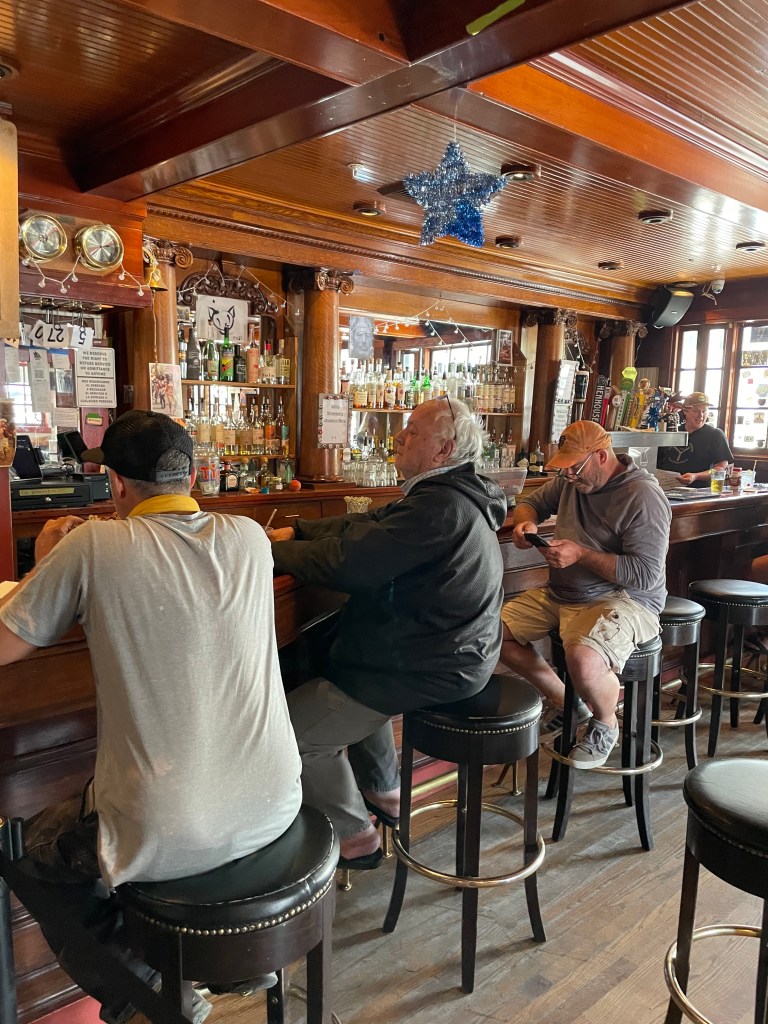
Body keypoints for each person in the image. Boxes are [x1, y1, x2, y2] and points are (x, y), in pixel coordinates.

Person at [0, 410, 302, 1024]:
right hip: (277, 803)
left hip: (173, 825)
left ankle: (144, 994)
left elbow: (6, 645)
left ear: (115, 483)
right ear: (191, 476)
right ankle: (229, 956)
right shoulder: (249, 536)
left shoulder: (93, 546)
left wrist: (46, 564)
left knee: (36, 855)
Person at [269, 397, 506, 867]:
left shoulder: (439, 507)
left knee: (288, 734)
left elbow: (350, 562)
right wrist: (298, 533)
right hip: (449, 650)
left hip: (436, 663)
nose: (399, 436)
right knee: (333, 664)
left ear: (443, 450)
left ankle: (355, 836)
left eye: (412, 431)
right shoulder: (448, 495)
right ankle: (384, 790)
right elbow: (367, 523)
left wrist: (263, 549)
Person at [498, 420, 671, 768]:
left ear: (602, 456)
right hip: (563, 593)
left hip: (624, 598)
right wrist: (526, 523)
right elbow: (531, 503)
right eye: (564, 469)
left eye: (574, 467)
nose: (568, 476)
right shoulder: (572, 481)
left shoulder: (642, 496)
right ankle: (567, 702)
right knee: (488, 633)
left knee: (583, 660)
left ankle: (606, 723)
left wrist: (580, 554)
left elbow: (645, 574)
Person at [657, 392, 733, 486]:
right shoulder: (672, 431)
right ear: (685, 411)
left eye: (704, 411)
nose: (700, 415)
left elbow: (721, 468)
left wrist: (696, 476)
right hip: (667, 487)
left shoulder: (715, 434)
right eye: (696, 411)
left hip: (699, 490)